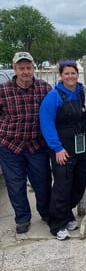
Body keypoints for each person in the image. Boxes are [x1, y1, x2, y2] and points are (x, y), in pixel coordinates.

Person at [40, 60, 86, 240]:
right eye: (66, 73)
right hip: (63, 148)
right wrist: (57, 148)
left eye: (73, 73)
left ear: (78, 74)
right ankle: (57, 224)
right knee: (62, 186)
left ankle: (67, 215)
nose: (70, 76)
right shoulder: (53, 96)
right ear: (61, 76)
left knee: (78, 182)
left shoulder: (85, 94)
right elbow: (46, 123)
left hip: (82, 146)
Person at [0, 51, 52, 234]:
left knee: (43, 181)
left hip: (36, 144)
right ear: (14, 69)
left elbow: (55, 112)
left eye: (28, 67)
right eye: (21, 68)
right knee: (15, 184)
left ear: (33, 69)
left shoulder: (45, 88)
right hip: (10, 145)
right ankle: (22, 218)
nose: (25, 71)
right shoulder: (3, 90)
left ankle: (46, 212)